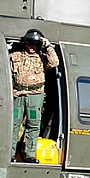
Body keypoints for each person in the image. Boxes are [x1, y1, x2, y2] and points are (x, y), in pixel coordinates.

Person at [10, 29, 59, 163]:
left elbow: (54, 63)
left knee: (33, 124)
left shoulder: (42, 59)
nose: (32, 47)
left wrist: (48, 46)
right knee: (14, 123)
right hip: (18, 95)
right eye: (30, 44)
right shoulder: (16, 56)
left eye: (35, 44)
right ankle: (11, 152)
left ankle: (30, 154)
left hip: (35, 96)